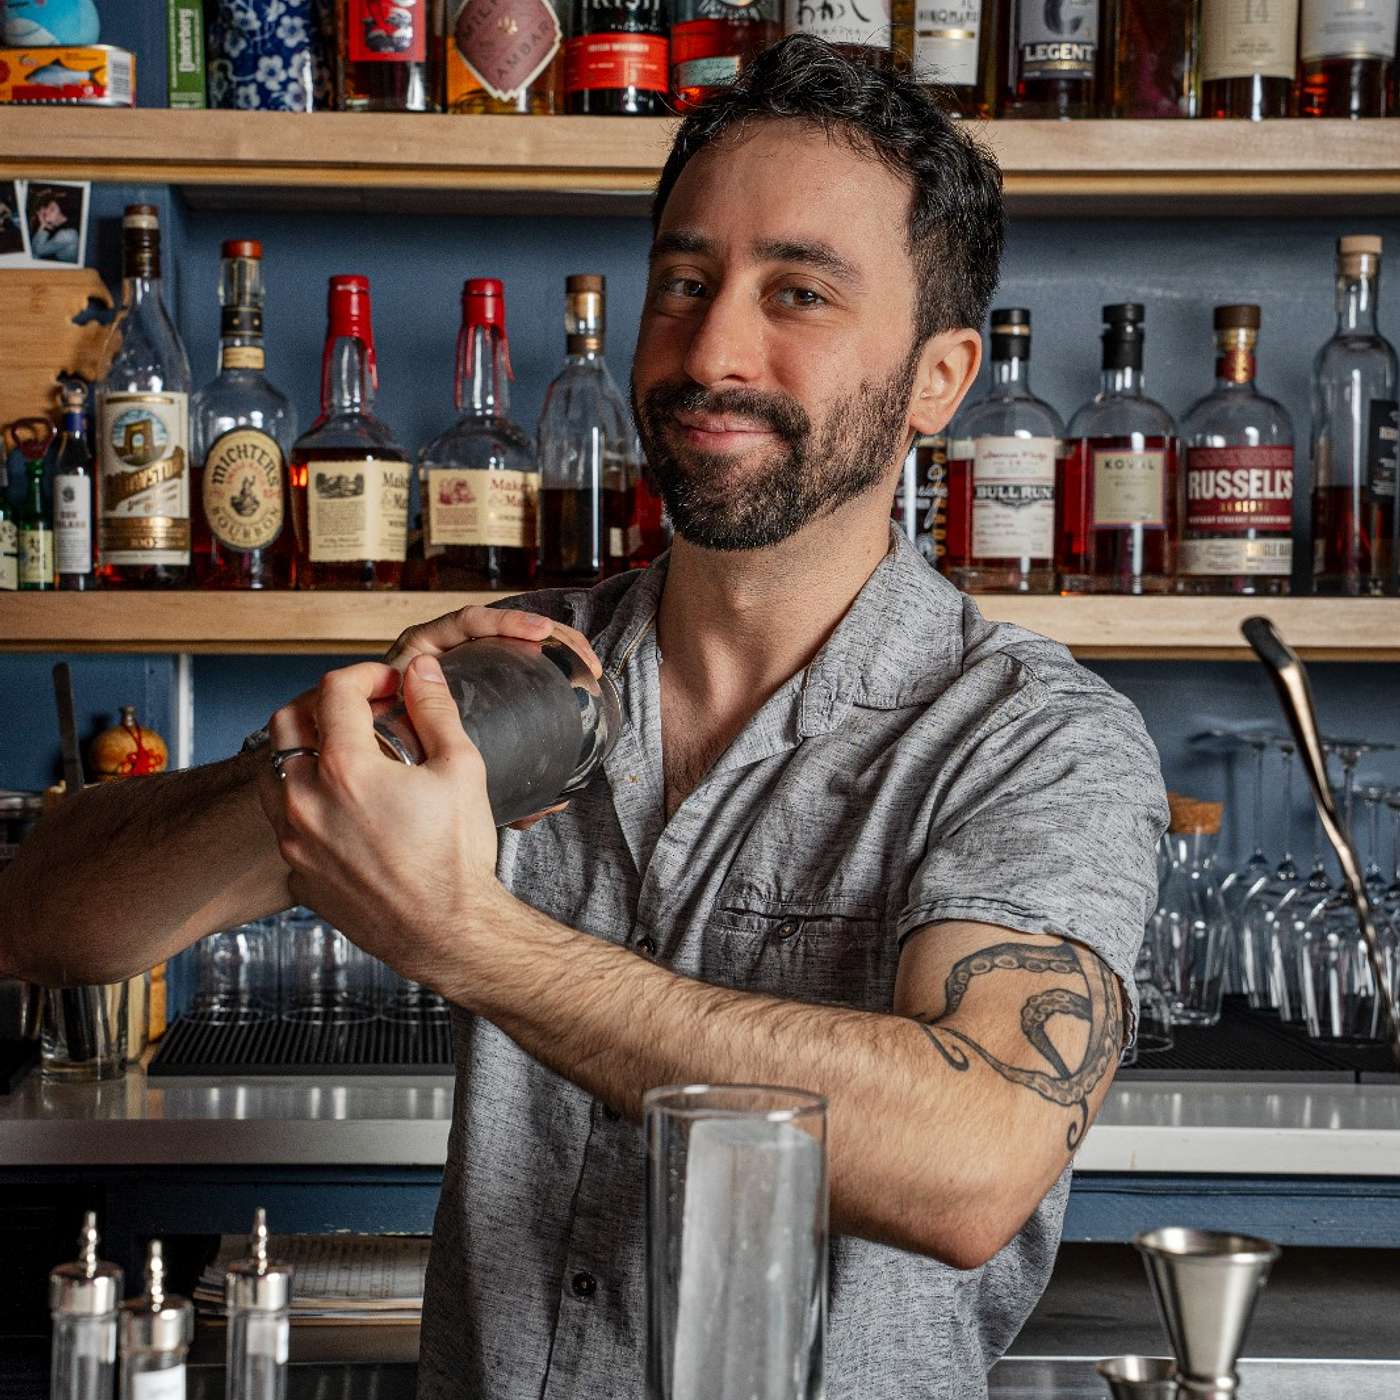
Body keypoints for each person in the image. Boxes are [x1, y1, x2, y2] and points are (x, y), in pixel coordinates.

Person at [0, 36, 1167, 1400]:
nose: (712, 349)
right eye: (684, 280)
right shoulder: (515, 675)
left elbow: (971, 1158)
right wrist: (317, 764)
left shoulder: (1033, 738)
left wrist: (467, 935)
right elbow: (45, 919)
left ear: (939, 376)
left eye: (798, 292)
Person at [29, 187, 80, 264]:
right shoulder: (55, 226)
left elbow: (37, 251)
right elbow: (33, 249)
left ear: (63, 214)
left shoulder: (67, 234)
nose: (46, 211)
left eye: (52, 209)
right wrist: (43, 224)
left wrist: (44, 225)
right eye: (47, 208)